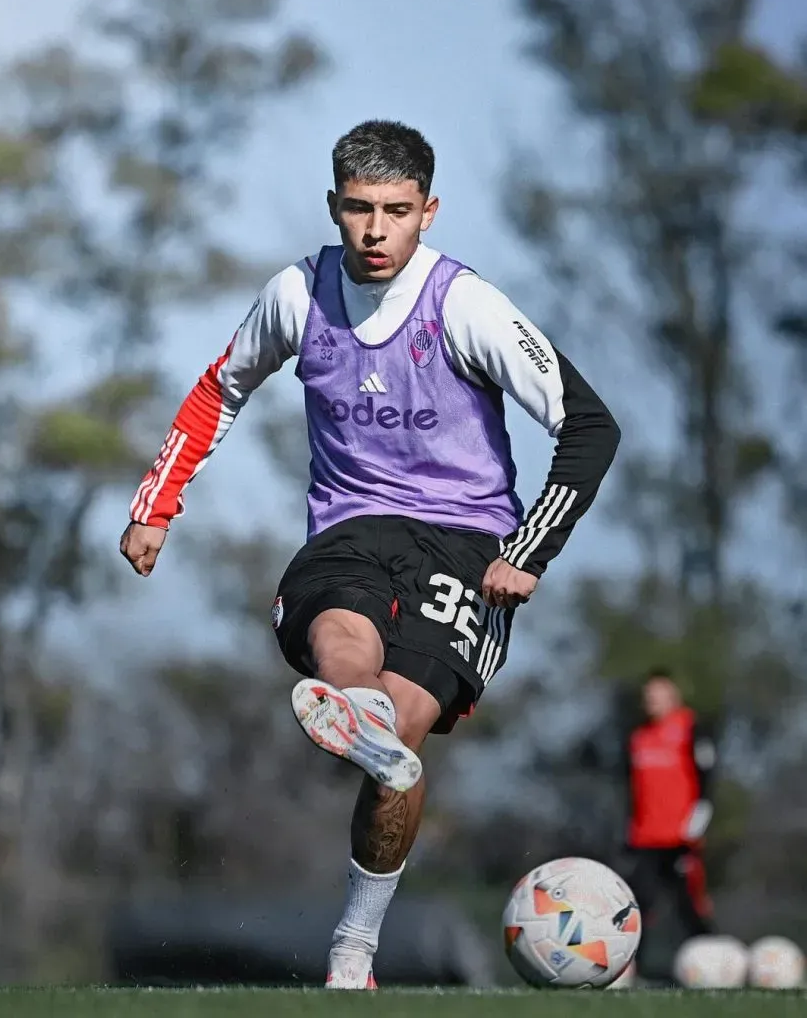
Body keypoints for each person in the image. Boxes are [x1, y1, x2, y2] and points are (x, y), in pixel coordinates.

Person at [119, 120, 621, 989]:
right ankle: (355, 713)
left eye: (396, 211)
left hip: (465, 545)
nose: (376, 230)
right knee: (343, 640)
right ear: (334, 207)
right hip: (347, 529)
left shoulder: (463, 304)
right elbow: (219, 388)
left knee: (408, 731)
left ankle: (354, 944)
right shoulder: (297, 294)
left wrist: (530, 550)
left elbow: (588, 425)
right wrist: (157, 503)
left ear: (428, 211)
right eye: (358, 210)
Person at [625, 669, 717, 962]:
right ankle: (627, 966)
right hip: (644, 837)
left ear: (673, 696)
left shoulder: (691, 728)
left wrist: (695, 827)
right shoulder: (639, 737)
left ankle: (712, 959)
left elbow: (707, 779)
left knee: (688, 904)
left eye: (658, 694)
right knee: (637, 903)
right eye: (648, 696)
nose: (652, 701)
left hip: (679, 837)